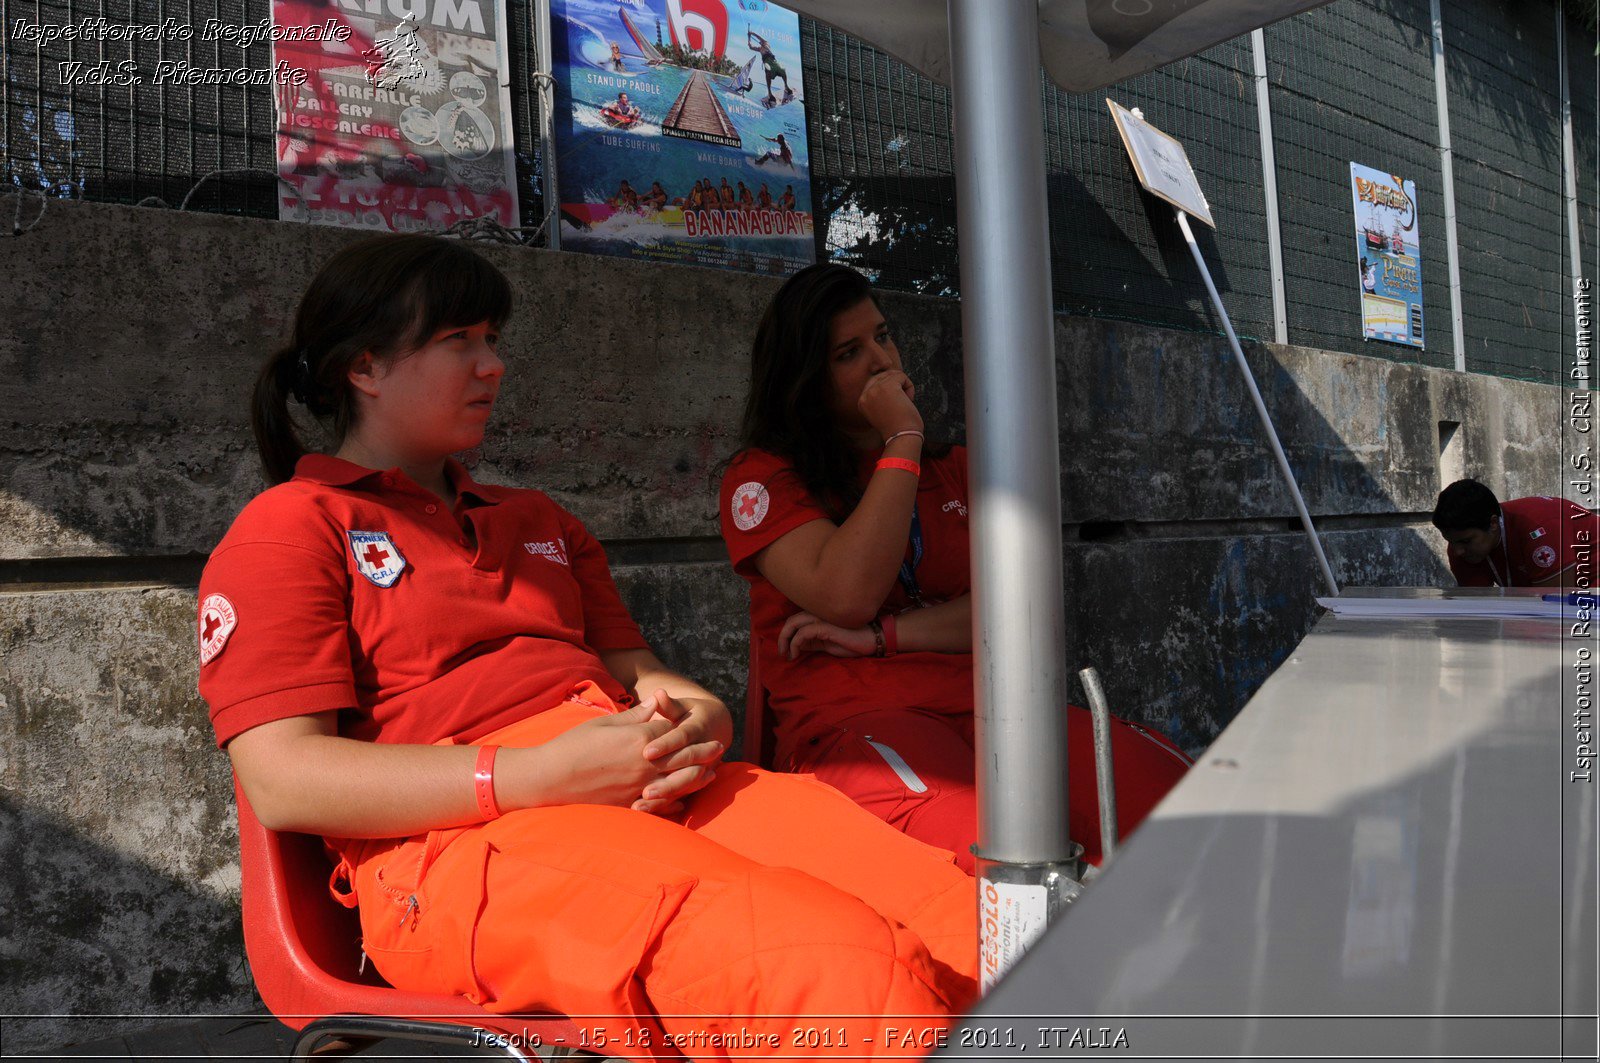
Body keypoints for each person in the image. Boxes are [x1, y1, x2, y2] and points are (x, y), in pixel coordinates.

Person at [200, 236, 977, 1058]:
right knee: (835, 972)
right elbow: (282, 778)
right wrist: (538, 774)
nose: (491, 365)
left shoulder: (539, 522)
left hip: (647, 784)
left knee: (967, 922)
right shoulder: (292, 527)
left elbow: (645, 675)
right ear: (365, 368)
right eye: (457, 340)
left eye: (493, 339)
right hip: (457, 846)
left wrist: (697, 720)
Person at [719, 264, 1191, 874]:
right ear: (804, 379)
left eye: (883, 336)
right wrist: (903, 441)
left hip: (998, 703)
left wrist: (880, 639)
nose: (881, 360)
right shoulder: (760, 479)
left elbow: (1020, 611)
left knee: (1178, 809)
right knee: (988, 859)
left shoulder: (963, 467)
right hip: (857, 723)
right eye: (848, 353)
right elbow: (847, 593)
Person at [1432, 478, 1597, 587]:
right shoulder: (1461, 543)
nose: (1457, 551)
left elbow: (1555, 607)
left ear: (1493, 523)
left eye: (1466, 542)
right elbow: (1476, 607)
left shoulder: (1539, 528)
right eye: (1451, 542)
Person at [747, 29, 792, 103]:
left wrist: (752, 33)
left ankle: (786, 87)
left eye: (761, 41)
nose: (760, 42)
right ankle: (770, 93)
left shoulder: (766, 43)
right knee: (768, 75)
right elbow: (750, 47)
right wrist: (749, 37)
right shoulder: (759, 49)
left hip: (774, 61)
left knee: (782, 70)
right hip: (767, 63)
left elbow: (758, 37)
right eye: (760, 43)